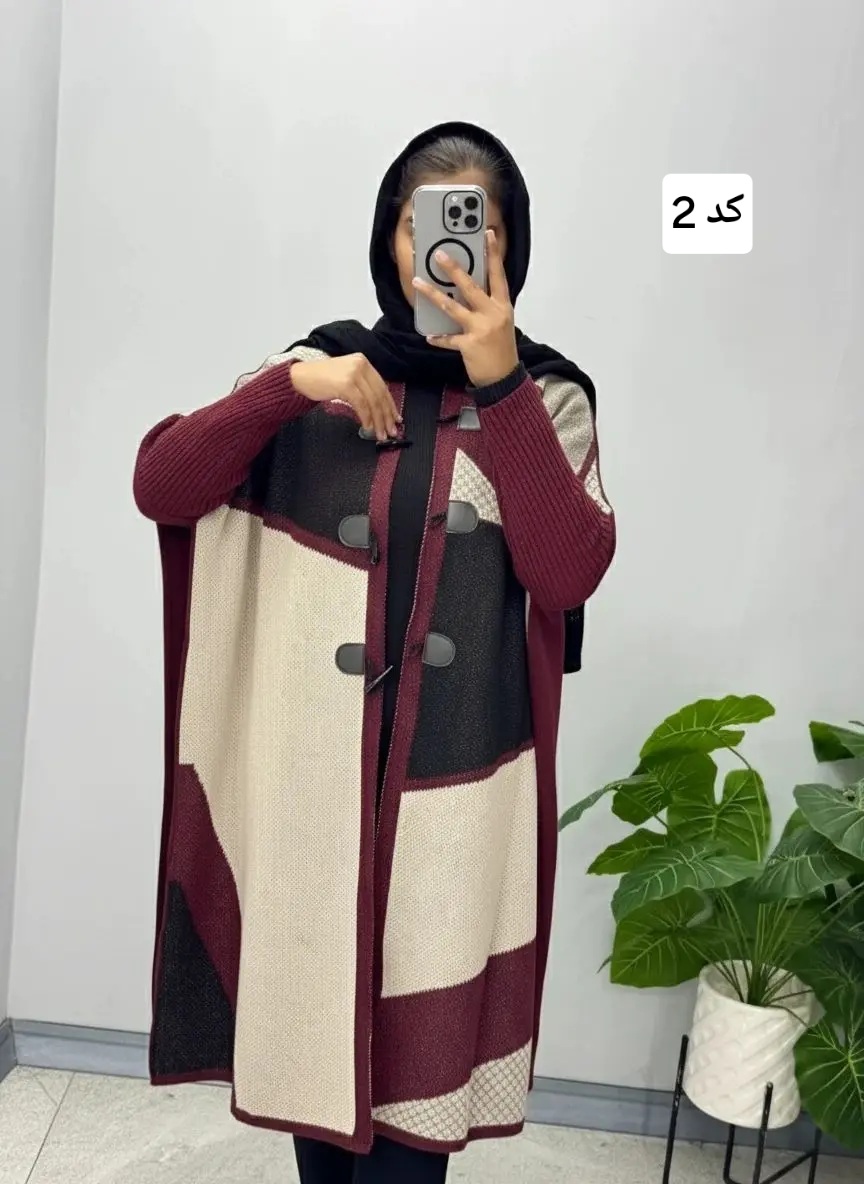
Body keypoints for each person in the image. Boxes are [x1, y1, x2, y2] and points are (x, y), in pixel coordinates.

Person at [133, 121, 615, 1184]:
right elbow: (164, 486)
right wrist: (289, 388)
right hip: (313, 800)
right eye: (421, 223)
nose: (445, 250)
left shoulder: (550, 397)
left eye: (477, 227)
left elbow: (569, 572)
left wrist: (501, 385)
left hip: (455, 808)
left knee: (412, 1123)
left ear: (509, 246)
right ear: (387, 239)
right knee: (315, 1079)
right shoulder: (320, 371)